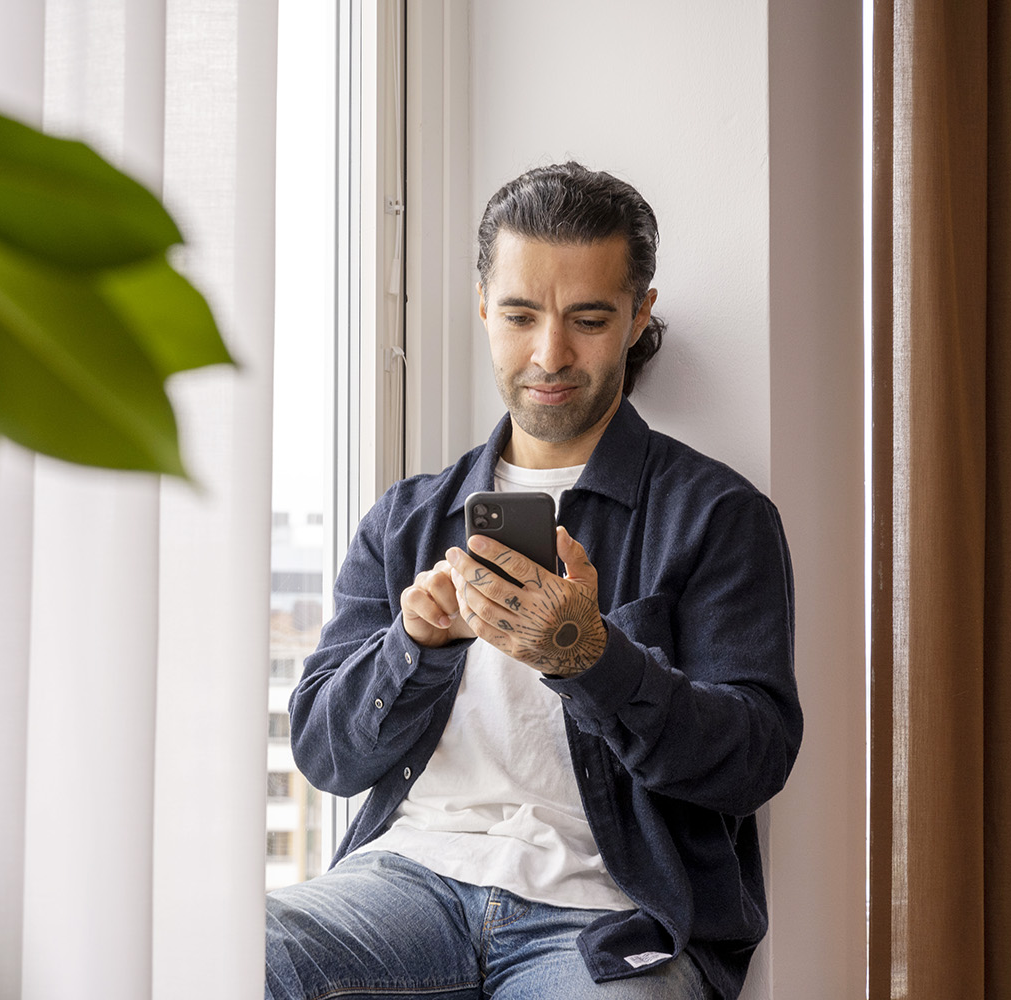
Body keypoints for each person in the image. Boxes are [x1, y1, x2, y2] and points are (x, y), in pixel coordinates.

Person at [265, 162, 801, 1000]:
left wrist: (591, 655)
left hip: (607, 914)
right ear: (483, 305)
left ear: (637, 315)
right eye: (520, 315)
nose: (550, 354)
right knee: (238, 952)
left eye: (589, 319)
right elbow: (324, 755)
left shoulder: (717, 516)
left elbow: (754, 760)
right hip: (410, 883)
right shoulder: (406, 519)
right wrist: (412, 647)